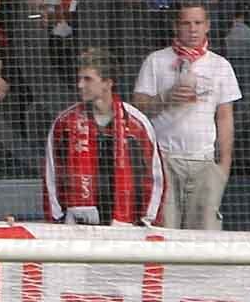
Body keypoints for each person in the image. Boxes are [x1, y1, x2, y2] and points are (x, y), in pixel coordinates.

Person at [131, 2, 240, 230]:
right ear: (175, 26)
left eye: (198, 23)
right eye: (186, 23)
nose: (193, 29)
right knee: (164, 231)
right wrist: (165, 98)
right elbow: (137, 108)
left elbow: (225, 117)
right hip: (164, 160)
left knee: (205, 236)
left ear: (208, 26)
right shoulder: (156, 61)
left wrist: (224, 164)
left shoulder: (220, 65)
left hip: (204, 161)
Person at [41, 50, 165, 225]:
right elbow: (51, 175)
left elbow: (154, 177)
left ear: (108, 82)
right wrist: (58, 219)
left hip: (126, 224)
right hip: (77, 225)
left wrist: (147, 221)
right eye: (79, 79)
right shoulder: (65, 123)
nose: (80, 85)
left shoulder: (136, 124)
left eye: (87, 79)